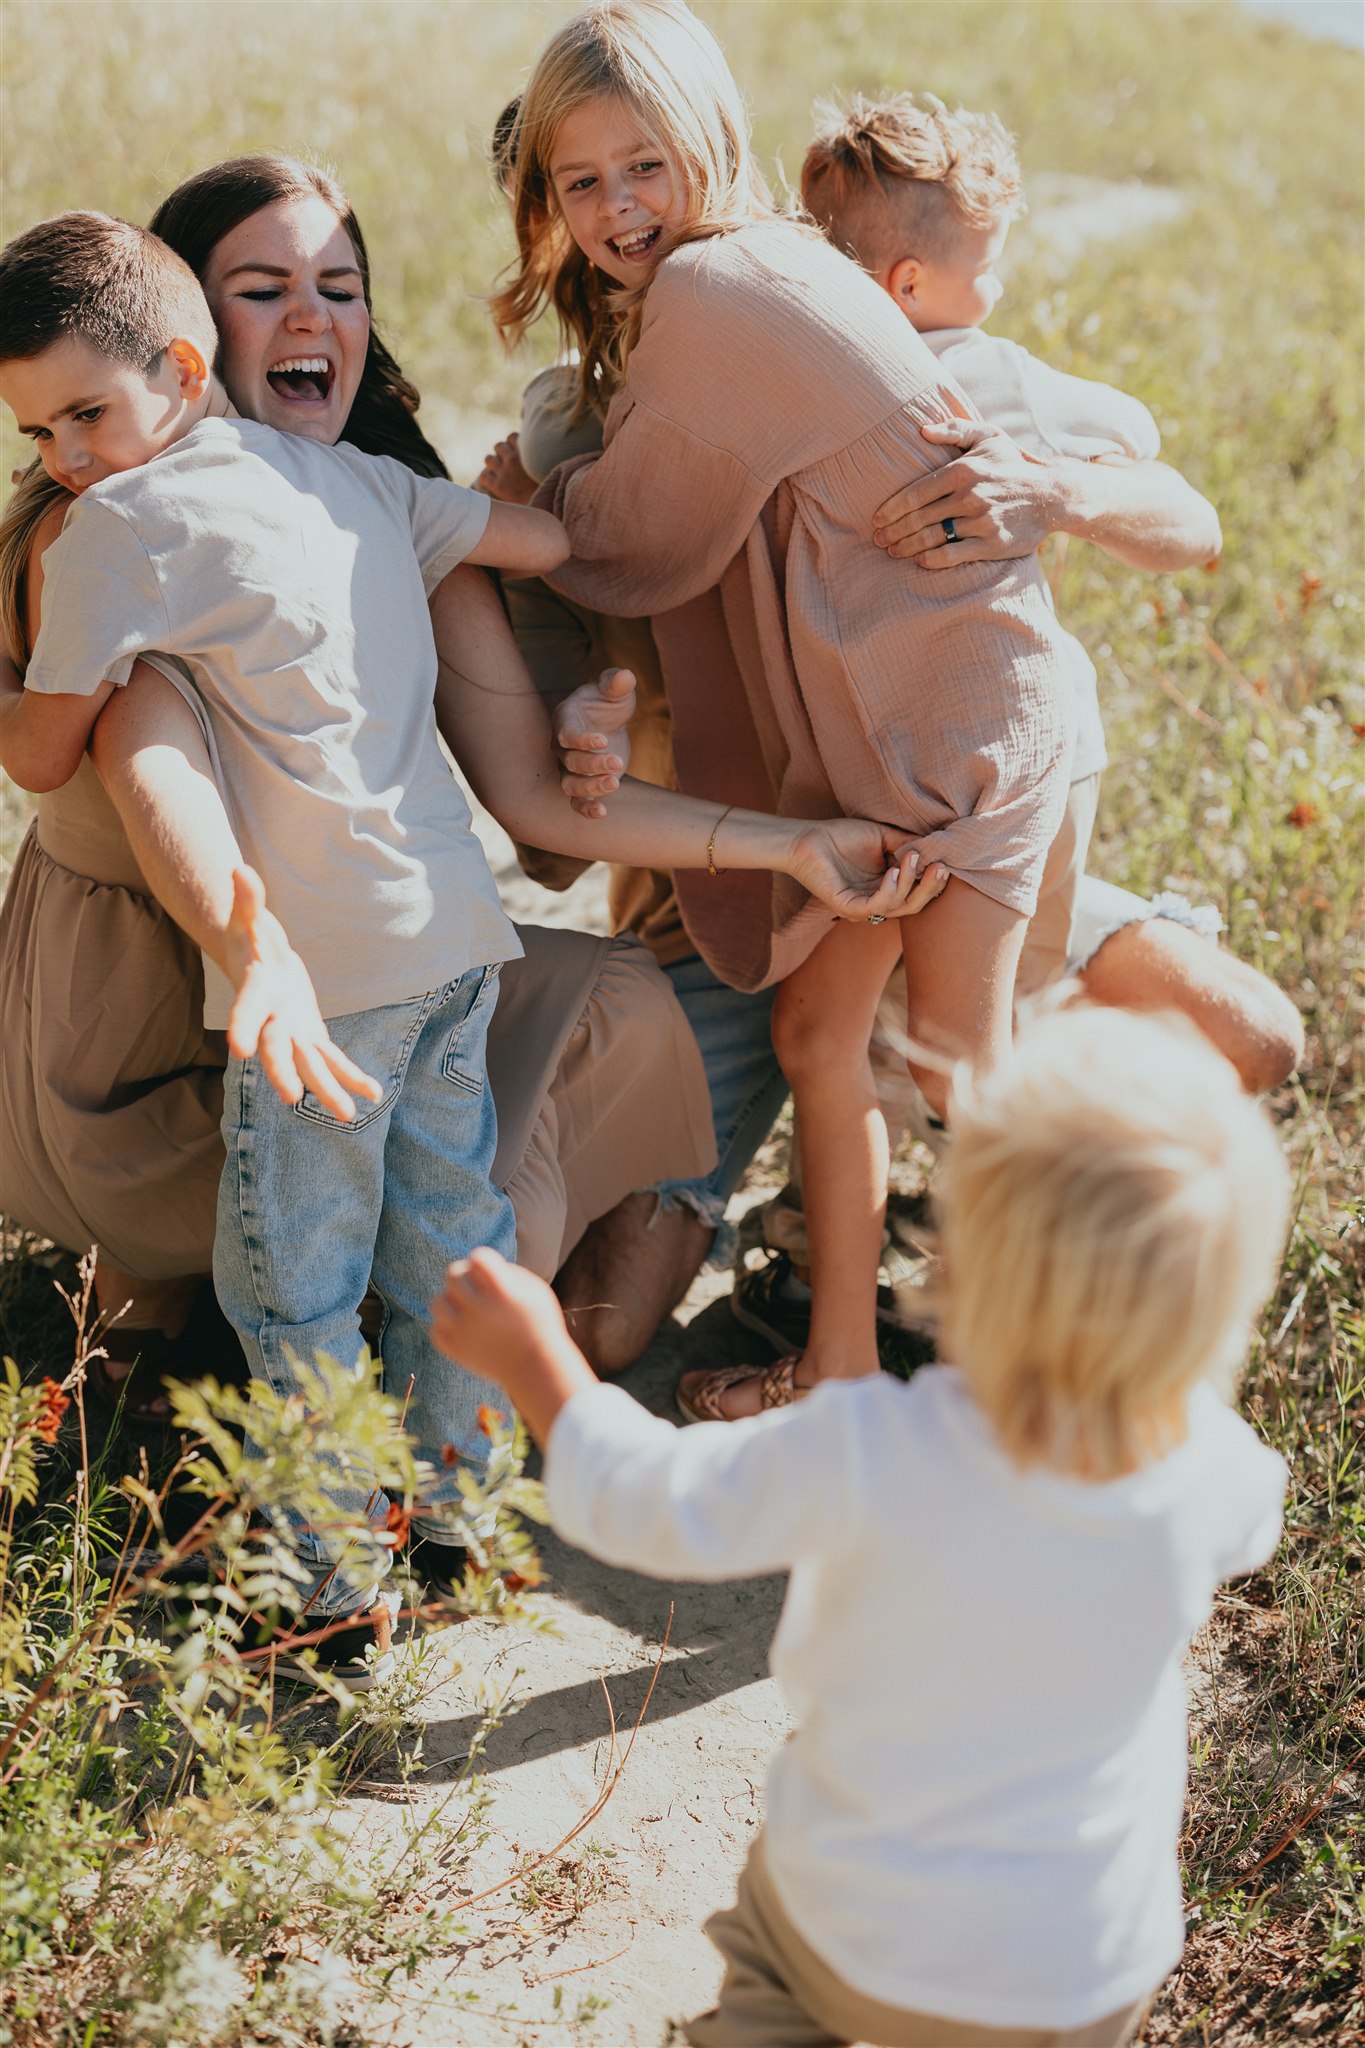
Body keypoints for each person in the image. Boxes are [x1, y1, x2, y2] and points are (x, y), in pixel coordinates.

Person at [0, 202, 935, 1680]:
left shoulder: (117, 529)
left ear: (178, 370)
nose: (64, 456)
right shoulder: (360, 484)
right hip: (452, 943)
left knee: (292, 1279)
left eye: (81, 418)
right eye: (42, 432)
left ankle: (322, 1575)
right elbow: (547, 536)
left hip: (320, 974)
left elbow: (45, 749)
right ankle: (454, 1517)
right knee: (450, 1227)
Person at [0, 152, 716, 1429]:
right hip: (181, 1030)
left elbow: (546, 822)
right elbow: (141, 769)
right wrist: (249, 940)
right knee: (507, 1126)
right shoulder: (129, 525)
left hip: (242, 994)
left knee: (595, 1013)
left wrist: (781, 826)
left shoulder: (357, 498)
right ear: (189, 342)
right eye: (266, 289)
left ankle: (309, 1362)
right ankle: (419, 1455)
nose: (315, 319)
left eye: (342, 286)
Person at [431, 1000, 1291, 2047]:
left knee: (767, 2005)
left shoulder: (871, 1449)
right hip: (1082, 1966)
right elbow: (1249, 1506)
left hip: (849, 1929)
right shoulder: (1220, 1474)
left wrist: (537, 1361)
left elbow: (645, 1498)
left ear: (964, 1262)